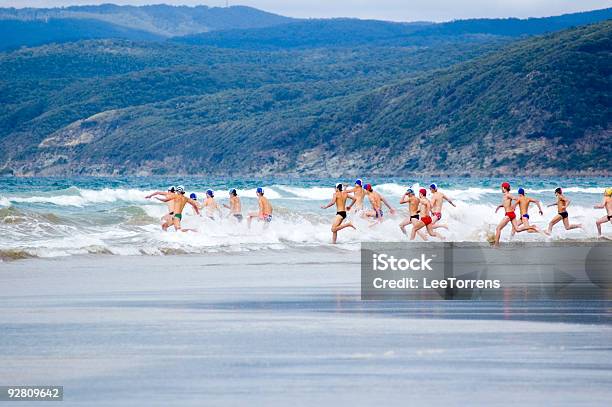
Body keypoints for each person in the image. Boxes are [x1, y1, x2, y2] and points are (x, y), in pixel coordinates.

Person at [494, 182, 536, 246]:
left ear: (504, 188)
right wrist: (500, 206)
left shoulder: (507, 195)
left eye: (501, 188)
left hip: (509, 214)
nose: (501, 189)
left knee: (498, 228)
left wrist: (515, 205)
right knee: (517, 229)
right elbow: (506, 204)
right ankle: (531, 227)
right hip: (512, 214)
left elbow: (516, 198)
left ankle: (496, 245)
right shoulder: (506, 195)